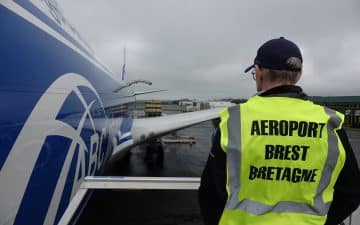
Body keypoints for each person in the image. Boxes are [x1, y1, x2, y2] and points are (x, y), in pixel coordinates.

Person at [198, 37, 360, 225]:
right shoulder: (330, 123)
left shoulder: (233, 121)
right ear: (299, 74)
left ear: (258, 72)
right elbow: (351, 192)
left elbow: (209, 195)